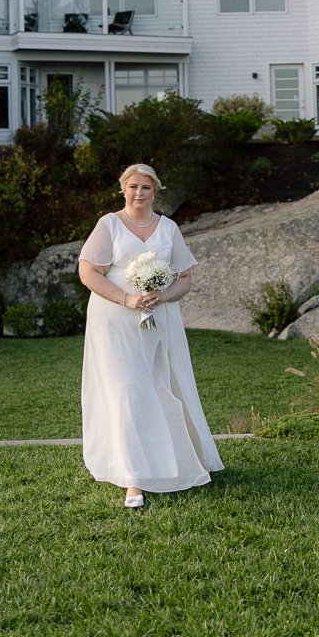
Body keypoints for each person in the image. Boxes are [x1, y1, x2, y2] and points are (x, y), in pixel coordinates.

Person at [78, 163, 223, 507]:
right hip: (114, 321)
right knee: (127, 390)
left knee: (159, 387)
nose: (139, 193)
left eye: (146, 187)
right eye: (133, 187)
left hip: (159, 320)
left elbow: (184, 278)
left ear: (155, 191)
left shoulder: (168, 228)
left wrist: (163, 295)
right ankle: (134, 478)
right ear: (123, 189)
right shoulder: (109, 224)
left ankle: (172, 461)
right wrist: (126, 299)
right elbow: (88, 272)